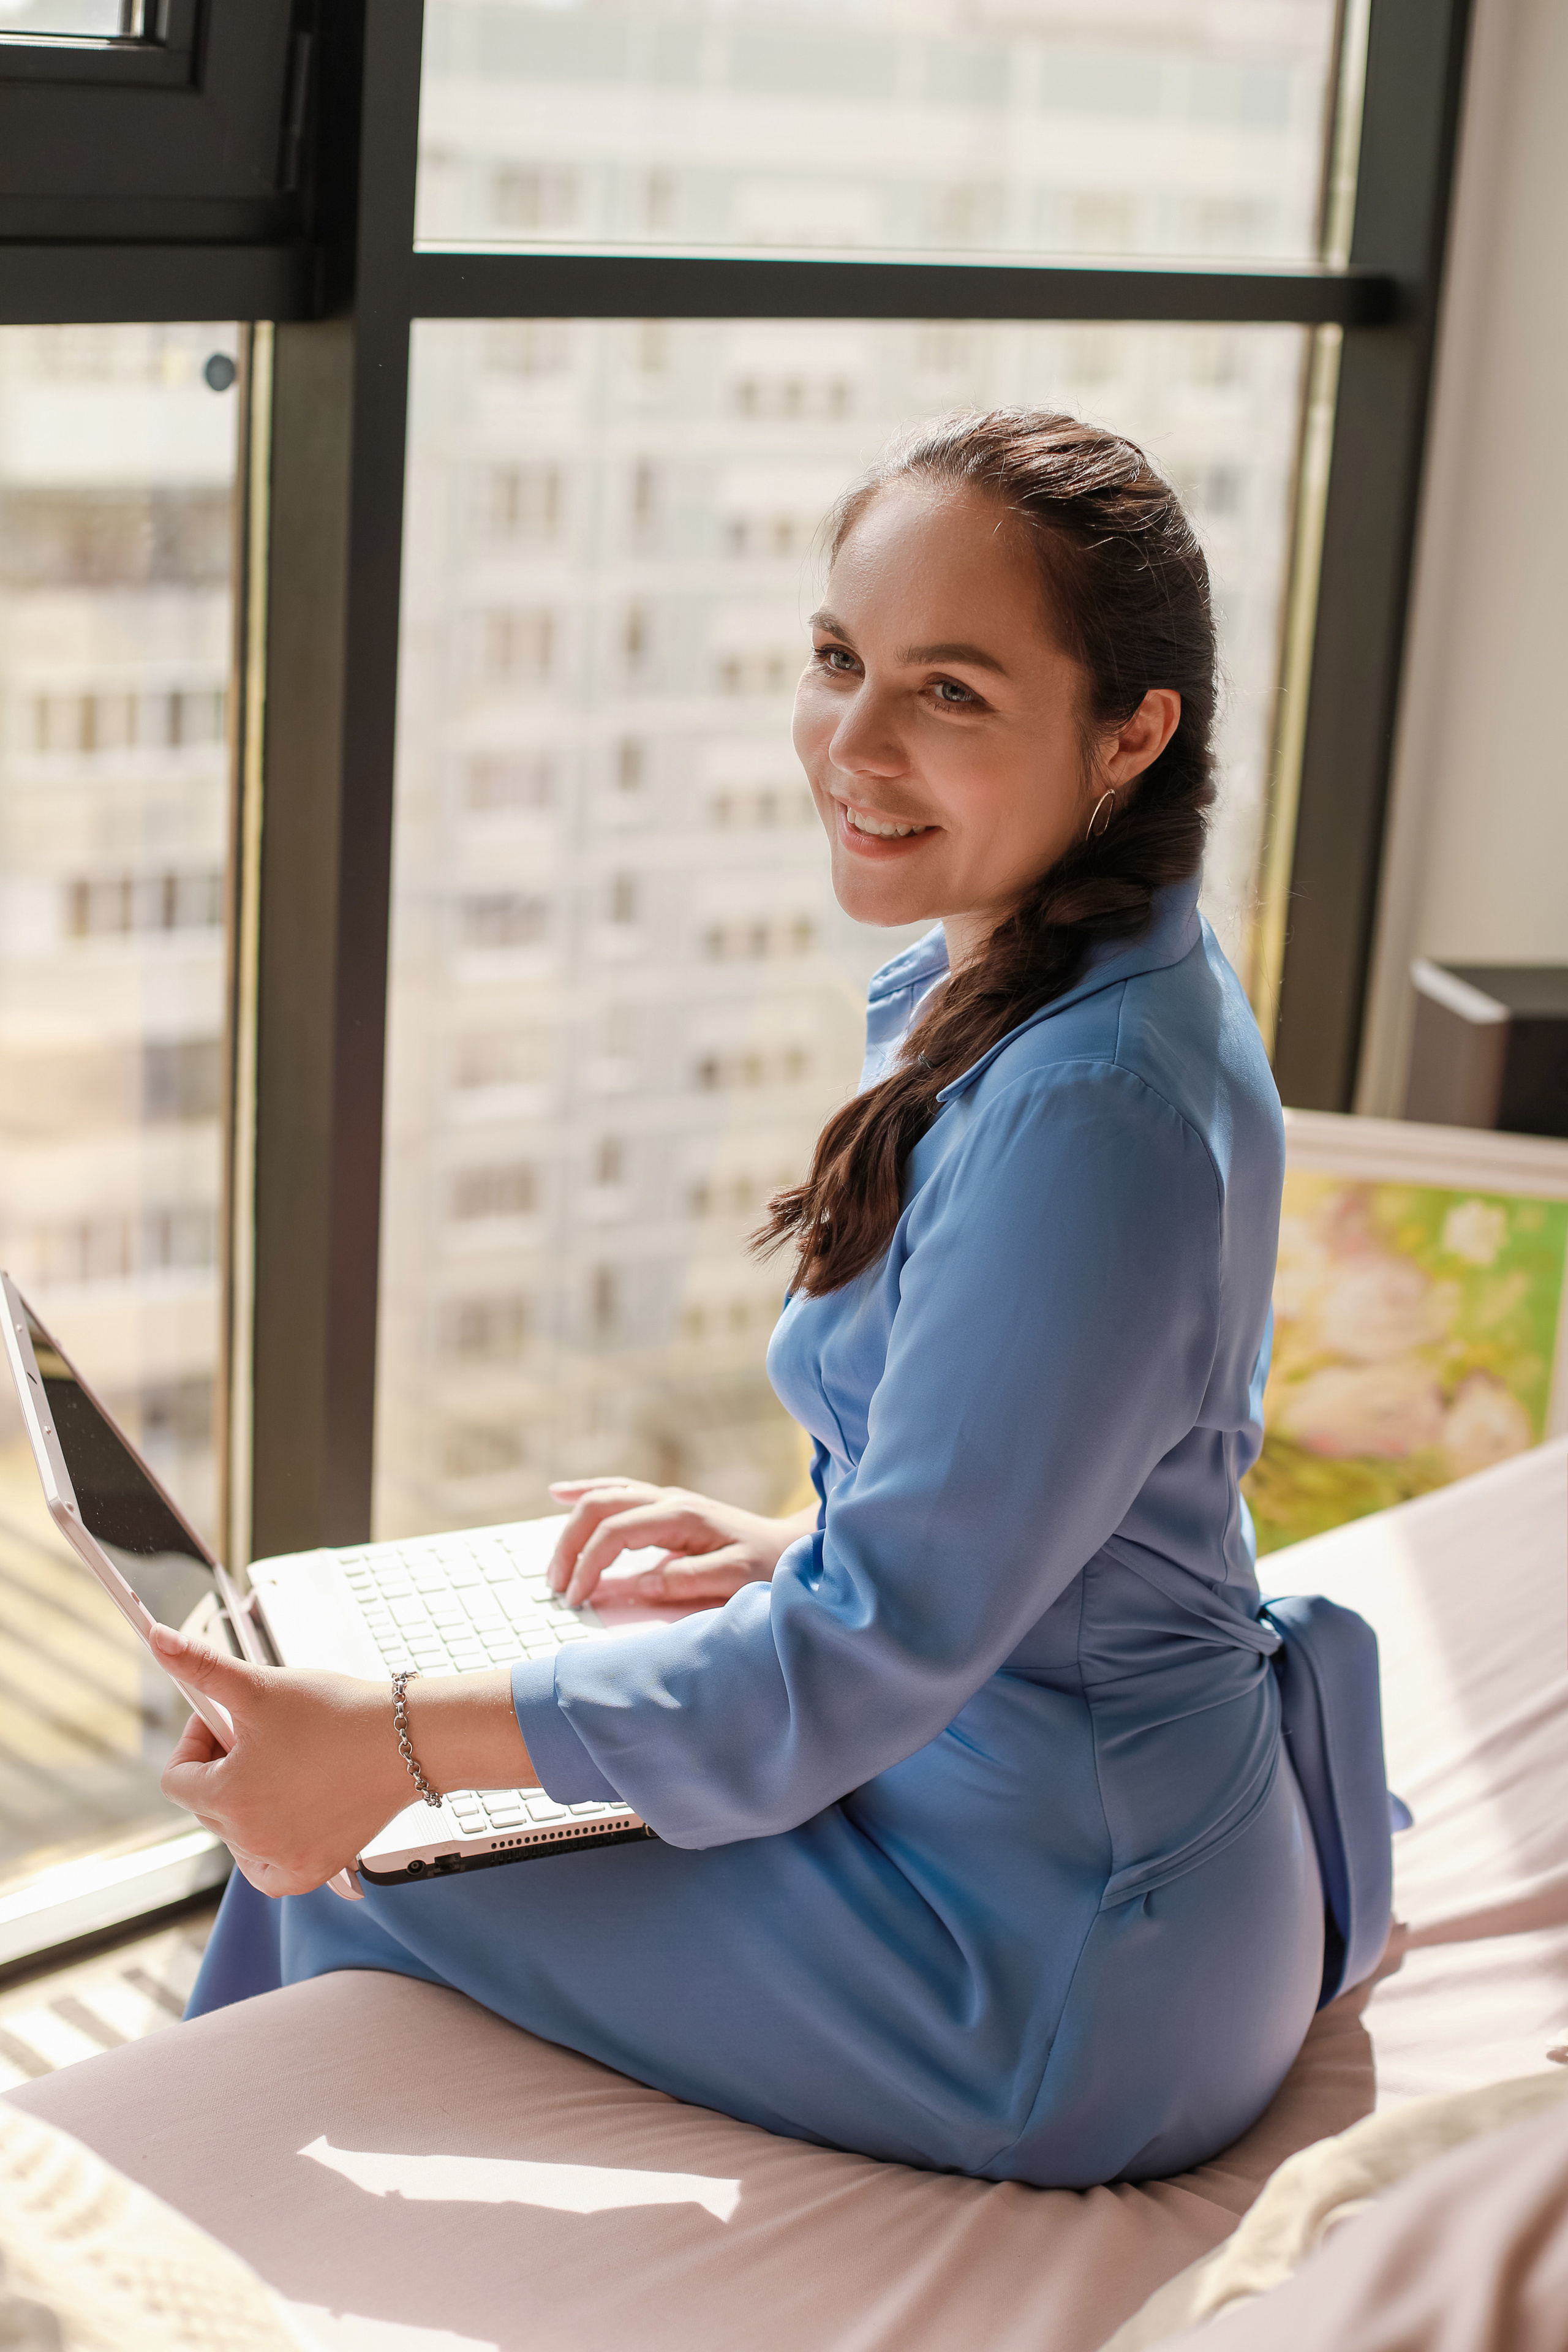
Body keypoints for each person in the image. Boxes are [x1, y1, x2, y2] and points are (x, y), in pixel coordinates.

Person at [167, 409, 1333, 2190]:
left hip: (1047, 1959)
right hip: (1056, 1831)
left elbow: (854, 1669)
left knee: (356, 1869)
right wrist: (815, 1539)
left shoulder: (1093, 1106)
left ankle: (142, 2277)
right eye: (837, 661)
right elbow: (1068, 1496)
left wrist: (396, 1749)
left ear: (1133, 730)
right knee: (395, 1803)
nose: (851, 744)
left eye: (948, 692)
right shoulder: (1064, 994)